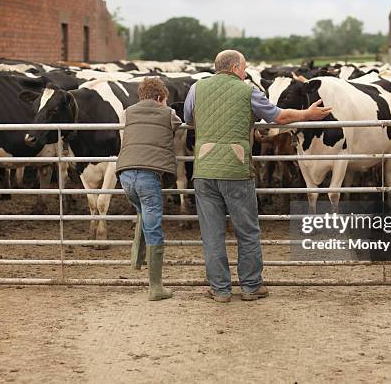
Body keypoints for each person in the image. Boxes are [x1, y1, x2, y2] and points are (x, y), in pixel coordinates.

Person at [184, 50, 331, 302]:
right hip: (236, 168)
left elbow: (188, 119)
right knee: (247, 231)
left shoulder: (196, 88)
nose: (245, 72)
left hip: (204, 169)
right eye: (243, 68)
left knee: (212, 233)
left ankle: (220, 289)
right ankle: (251, 286)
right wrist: (308, 114)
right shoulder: (248, 90)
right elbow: (279, 117)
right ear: (234, 68)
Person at [116, 77, 182, 301]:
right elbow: (178, 124)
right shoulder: (168, 113)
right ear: (161, 98)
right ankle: (155, 287)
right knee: (153, 226)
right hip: (148, 175)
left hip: (125, 175)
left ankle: (137, 259)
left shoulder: (128, 112)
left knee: (143, 214)